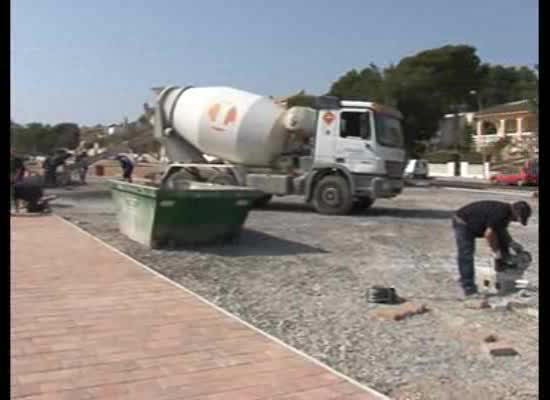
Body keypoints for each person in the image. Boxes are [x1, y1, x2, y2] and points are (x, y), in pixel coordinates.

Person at [452, 200, 532, 297]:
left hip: (474, 223)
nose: (515, 221)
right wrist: (497, 254)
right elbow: (489, 234)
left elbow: (501, 230)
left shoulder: (506, 214)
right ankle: (468, 287)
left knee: (502, 242)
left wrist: (512, 243)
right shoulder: (500, 213)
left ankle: (502, 272)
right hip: (463, 222)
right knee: (466, 255)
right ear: (515, 212)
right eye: (517, 219)